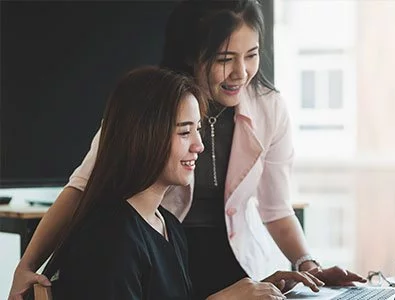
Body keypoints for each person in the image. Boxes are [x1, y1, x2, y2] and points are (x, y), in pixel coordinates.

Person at [9, 0, 366, 299]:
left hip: (203, 258)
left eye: (252, 55)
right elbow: (83, 187)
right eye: (226, 58)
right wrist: (27, 266)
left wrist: (306, 265)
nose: (241, 73)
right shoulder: (151, 107)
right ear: (194, 54)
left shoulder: (267, 107)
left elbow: (276, 207)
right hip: (153, 262)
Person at [26, 66, 323, 300]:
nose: (199, 146)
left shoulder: (168, 225)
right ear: (144, 137)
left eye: (197, 131)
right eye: (184, 133)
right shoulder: (110, 237)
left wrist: (257, 290)